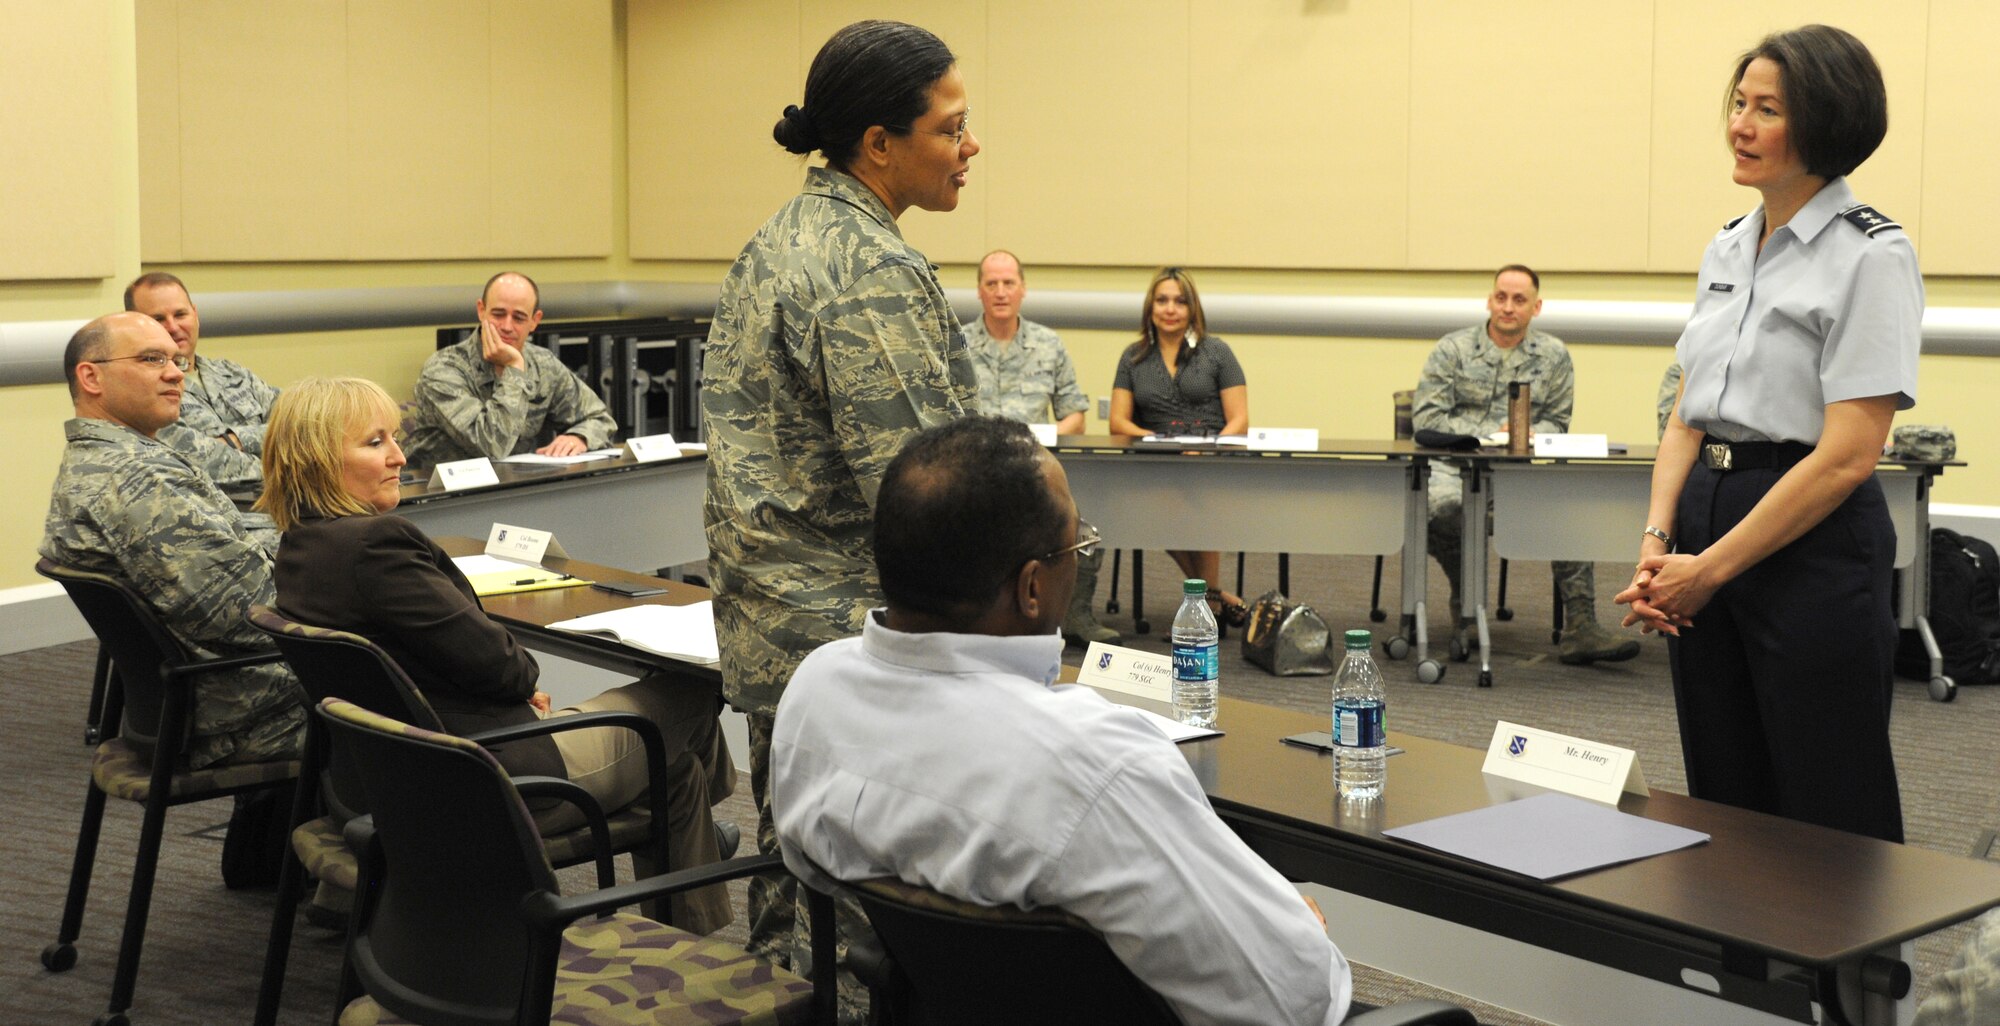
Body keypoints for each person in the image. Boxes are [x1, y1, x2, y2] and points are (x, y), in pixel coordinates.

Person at [773, 415, 1352, 1026]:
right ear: (1031, 587)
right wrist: (1290, 927)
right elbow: (1293, 1000)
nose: (1081, 558)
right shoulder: (1095, 766)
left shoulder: (817, 690)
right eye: (1078, 546)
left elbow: (813, 863)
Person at [701, 17, 980, 975]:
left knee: (795, 868)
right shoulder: (870, 267)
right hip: (853, 646)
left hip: (778, 630)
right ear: (879, 144)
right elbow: (929, 495)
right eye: (950, 128)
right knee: (863, 909)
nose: (970, 147)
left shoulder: (779, 238)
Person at [262, 376, 736, 931]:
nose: (399, 455)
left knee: (677, 773)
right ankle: (696, 914)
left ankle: (691, 895)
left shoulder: (299, 546)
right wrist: (516, 680)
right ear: (316, 460)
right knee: (691, 691)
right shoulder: (377, 547)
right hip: (490, 782)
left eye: (394, 437)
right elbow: (509, 668)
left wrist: (504, 677)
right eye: (375, 443)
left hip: (384, 780)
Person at [1616, 25, 1916, 843]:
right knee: (1725, 787)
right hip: (1706, 513)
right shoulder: (1728, 243)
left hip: (1808, 529)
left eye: (1768, 110)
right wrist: (1658, 537)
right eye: (1738, 104)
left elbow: (1851, 452)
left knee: (1828, 795)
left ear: (1825, 123)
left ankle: (1854, 977)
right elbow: (1690, 403)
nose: (1740, 126)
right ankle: (1745, 971)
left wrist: (1706, 569)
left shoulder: (1871, 254)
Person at [42, 312, 305, 770]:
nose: (174, 372)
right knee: (427, 698)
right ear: (91, 377)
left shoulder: (114, 458)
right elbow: (255, 614)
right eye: (151, 359)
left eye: (176, 360)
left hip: (196, 699)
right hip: (245, 712)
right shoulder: (136, 479)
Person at [1414, 265, 1640, 665]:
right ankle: (1466, 604)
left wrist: (1524, 434)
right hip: (1454, 468)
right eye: (1501, 297)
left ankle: (1581, 627)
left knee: (1568, 510)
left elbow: (1558, 421)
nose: (1507, 307)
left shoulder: (1553, 355)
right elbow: (1428, 419)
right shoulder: (1452, 349)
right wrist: (1490, 432)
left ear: (1536, 307)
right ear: (1489, 300)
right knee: (1441, 511)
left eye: (1519, 300)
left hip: (1523, 469)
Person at [962, 248, 1117, 645]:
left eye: (1008, 283)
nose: (1000, 292)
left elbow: (1075, 415)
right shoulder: (957, 344)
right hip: (972, 468)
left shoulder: (1049, 344)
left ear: (1023, 289)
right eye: (991, 283)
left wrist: (1042, 438)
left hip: (1033, 466)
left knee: (1080, 523)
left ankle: (1074, 615)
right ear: (979, 291)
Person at [1106, 266, 1251, 625]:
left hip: (1211, 463)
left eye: (1180, 301)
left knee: (1198, 497)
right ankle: (1213, 599)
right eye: (1162, 300)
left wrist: (1212, 449)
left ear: (1192, 309)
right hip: (1157, 464)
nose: (1170, 309)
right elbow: (1118, 422)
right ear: (1150, 307)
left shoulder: (1217, 352)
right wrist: (1157, 442)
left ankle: (1206, 602)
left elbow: (1240, 419)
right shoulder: (1133, 357)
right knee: (1161, 503)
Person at [400, 271, 618, 467]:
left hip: (510, 489)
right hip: (439, 495)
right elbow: (491, 445)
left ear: (534, 321)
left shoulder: (543, 365)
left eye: (519, 317)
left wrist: (580, 437)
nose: (506, 326)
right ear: (481, 310)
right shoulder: (444, 369)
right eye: (498, 314)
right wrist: (514, 368)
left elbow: (601, 419)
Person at [124, 272, 274, 490]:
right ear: (135, 325)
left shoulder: (235, 374)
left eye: (180, 314)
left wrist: (234, 440)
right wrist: (286, 466)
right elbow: (198, 461)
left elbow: (296, 425)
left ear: (195, 314)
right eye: (158, 319)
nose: (173, 327)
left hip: (288, 508)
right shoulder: (142, 390)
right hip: (222, 517)